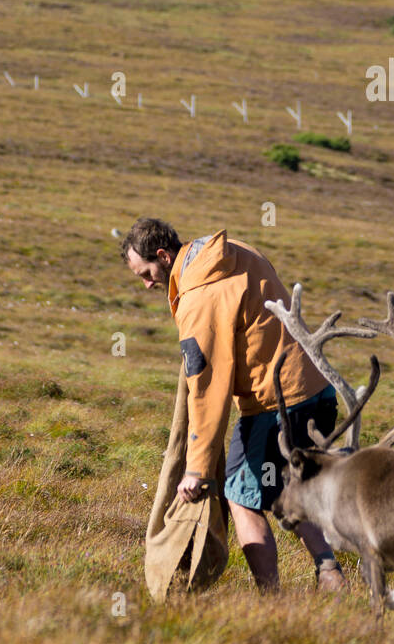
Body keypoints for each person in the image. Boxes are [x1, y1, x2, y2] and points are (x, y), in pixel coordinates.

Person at [121, 216, 345, 593]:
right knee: (285, 490)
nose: (146, 284)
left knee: (241, 496)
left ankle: (271, 599)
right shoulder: (236, 251)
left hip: (276, 404)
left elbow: (206, 388)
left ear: (163, 255)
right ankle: (331, 576)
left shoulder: (198, 298)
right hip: (318, 391)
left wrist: (197, 470)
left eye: (146, 273)